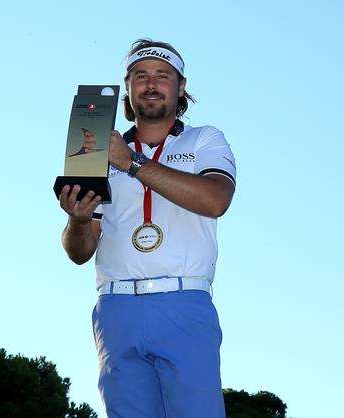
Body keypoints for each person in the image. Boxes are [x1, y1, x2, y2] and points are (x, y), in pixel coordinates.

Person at [58, 39, 237, 418]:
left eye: (162, 76)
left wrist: (133, 163)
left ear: (181, 86)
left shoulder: (205, 139)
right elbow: (79, 251)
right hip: (115, 307)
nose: (151, 84)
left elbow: (215, 200)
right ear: (127, 89)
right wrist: (76, 220)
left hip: (183, 301)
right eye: (141, 76)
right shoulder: (98, 151)